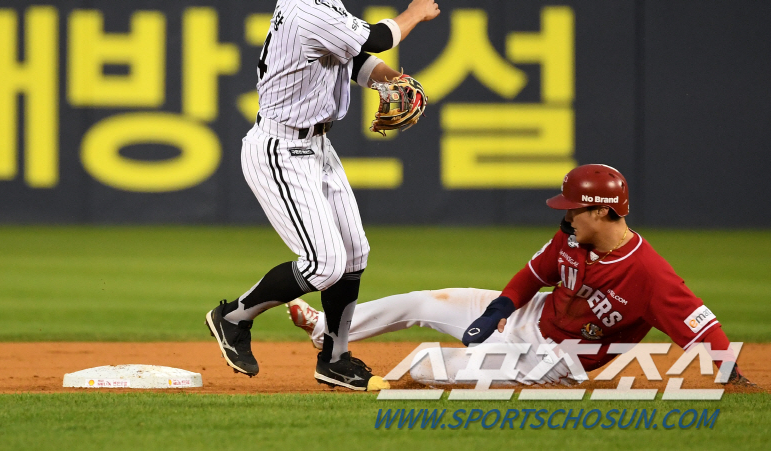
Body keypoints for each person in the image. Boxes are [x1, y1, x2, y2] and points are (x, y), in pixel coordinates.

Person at [205, 0, 440, 391]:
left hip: (316, 144)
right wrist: (413, 13)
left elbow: (353, 57)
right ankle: (234, 316)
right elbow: (376, 39)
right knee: (323, 263)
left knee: (354, 254)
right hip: (279, 146)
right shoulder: (304, 11)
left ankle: (333, 358)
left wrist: (387, 80)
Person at [286, 164, 755, 387]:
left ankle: (377, 385)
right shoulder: (572, 238)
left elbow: (702, 328)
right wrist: (499, 309)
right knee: (423, 302)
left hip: (558, 361)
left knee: (431, 368)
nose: (566, 217)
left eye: (574, 210)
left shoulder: (649, 275)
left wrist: (734, 380)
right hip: (530, 319)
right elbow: (531, 275)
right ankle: (327, 330)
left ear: (603, 211)